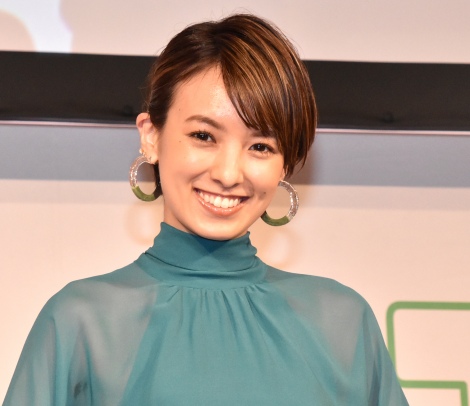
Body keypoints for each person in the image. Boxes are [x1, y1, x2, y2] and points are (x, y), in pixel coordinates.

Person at [4, 14, 408, 406]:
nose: (229, 174)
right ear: (151, 136)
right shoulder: (82, 323)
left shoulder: (342, 321)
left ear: (284, 164)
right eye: (204, 136)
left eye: (260, 146)